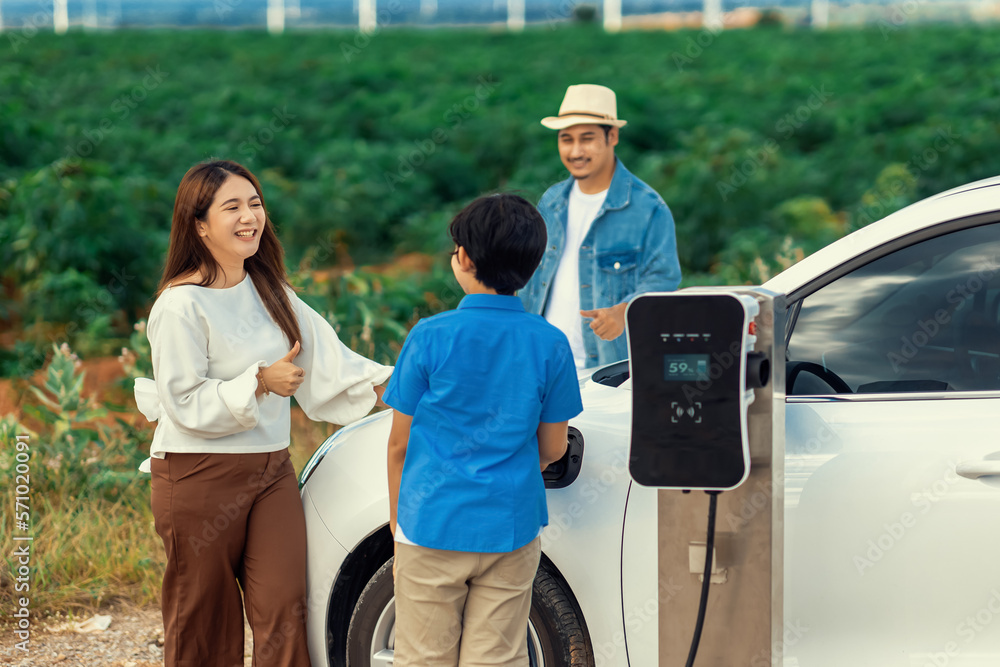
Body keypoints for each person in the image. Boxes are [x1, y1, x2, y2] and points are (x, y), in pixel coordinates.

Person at [133, 159, 392, 667]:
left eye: (254, 203)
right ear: (199, 223)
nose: (249, 215)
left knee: (284, 609)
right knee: (203, 623)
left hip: (271, 472)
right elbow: (183, 402)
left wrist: (421, 393)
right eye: (232, 206)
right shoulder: (179, 305)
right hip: (195, 477)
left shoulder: (272, 291)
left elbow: (340, 365)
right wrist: (258, 382)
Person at [383, 194, 584, 667]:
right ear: (530, 267)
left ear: (466, 259)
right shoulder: (549, 344)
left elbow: (398, 445)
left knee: (423, 658)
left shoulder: (429, 336)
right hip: (511, 527)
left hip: (430, 524)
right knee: (497, 658)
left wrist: (398, 524)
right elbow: (553, 447)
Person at [519, 83, 682, 369]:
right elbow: (529, 276)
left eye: (588, 138)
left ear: (612, 136)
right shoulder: (552, 201)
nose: (576, 151)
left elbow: (663, 280)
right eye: (566, 139)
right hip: (542, 362)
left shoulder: (648, 209)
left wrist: (624, 312)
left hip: (606, 372)